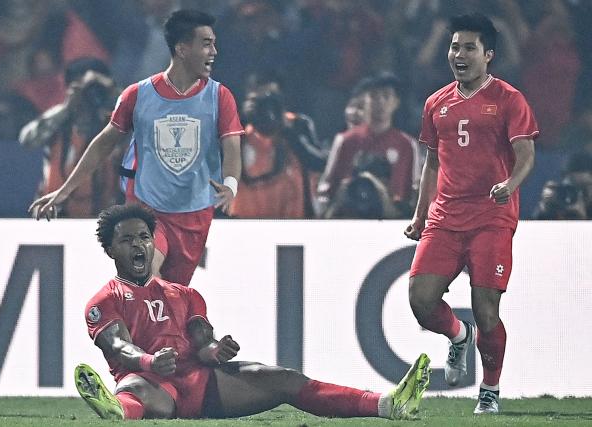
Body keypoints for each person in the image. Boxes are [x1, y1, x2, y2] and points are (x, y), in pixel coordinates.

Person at [75, 203, 431, 421]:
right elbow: (120, 347)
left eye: (143, 237)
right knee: (134, 389)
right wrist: (152, 363)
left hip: (202, 384)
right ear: (110, 251)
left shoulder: (184, 294)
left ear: (152, 243)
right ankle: (119, 410)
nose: (138, 244)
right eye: (127, 240)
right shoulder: (103, 301)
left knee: (284, 378)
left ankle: (387, 405)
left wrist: (216, 350)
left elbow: (202, 341)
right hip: (153, 385)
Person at [28, 10, 244, 285]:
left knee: (170, 299)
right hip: (147, 211)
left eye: (213, 43)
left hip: (194, 216)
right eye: (206, 44)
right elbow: (103, 144)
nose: (213, 51)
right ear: (181, 49)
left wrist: (231, 185)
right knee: (146, 277)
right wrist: (64, 191)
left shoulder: (219, 96)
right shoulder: (138, 94)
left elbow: (233, 146)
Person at [404, 13, 538, 415]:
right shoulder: (436, 103)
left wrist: (509, 186)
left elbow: (527, 154)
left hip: (491, 216)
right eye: (454, 46)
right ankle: (459, 336)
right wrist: (420, 214)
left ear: (489, 54)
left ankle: (490, 390)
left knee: (487, 309)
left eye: (468, 48)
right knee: (421, 300)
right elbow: (432, 162)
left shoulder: (508, 99)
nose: (458, 55)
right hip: (446, 216)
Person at [20, 57, 123, 218]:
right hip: (53, 213)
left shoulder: (116, 120)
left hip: (103, 217)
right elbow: (27, 140)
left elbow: (145, 125)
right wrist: (67, 108)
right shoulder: (59, 119)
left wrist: (116, 94)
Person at [317, 73, 422, 218]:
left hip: (392, 220)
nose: (380, 102)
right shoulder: (345, 141)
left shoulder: (407, 145)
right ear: (364, 100)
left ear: (396, 102)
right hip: (350, 219)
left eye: (386, 96)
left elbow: (415, 192)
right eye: (373, 96)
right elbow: (327, 188)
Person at [230, 80, 326, 219]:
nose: (264, 110)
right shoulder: (236, 131)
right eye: (258, 101)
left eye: (270, 100)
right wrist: (242, 120)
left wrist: (287, 131)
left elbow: (318, 163)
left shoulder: (297, 125)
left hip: (292, 220)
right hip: (246, 221)